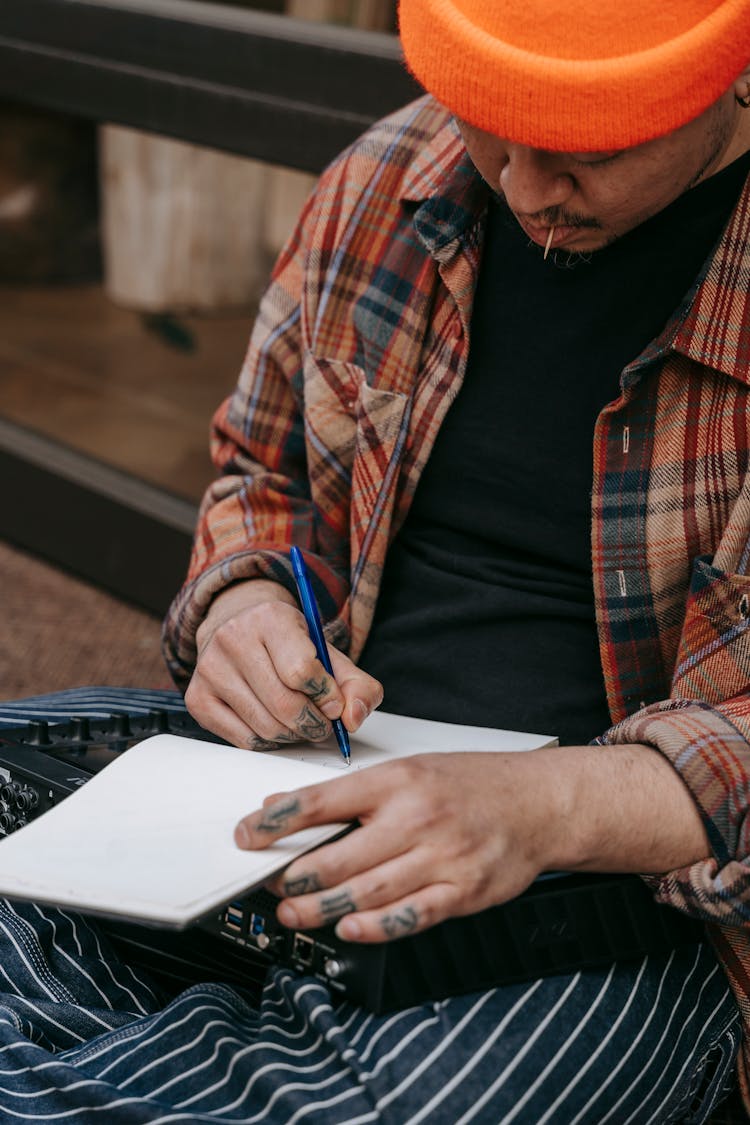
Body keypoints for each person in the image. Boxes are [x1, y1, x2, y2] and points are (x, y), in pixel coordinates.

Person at [0, 0, 749, 1121]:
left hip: (626, 881)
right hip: (299, 771)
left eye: (591, 150)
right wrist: (247, 600)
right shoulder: (391, 176)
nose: (530, 189)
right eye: (496, 125)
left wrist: (544, 809)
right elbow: (261, 478)